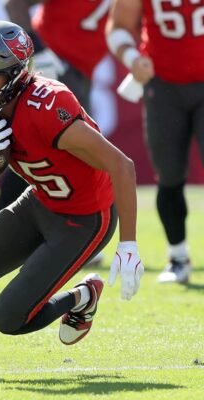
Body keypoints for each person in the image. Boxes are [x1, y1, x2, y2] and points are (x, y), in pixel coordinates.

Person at [0, 21, 144, 376]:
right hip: (41, 201)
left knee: (9, 317)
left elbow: (122, 165)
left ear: (15, 76)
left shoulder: (47, 106)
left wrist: (128, 244)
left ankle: (83, 295)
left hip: (85, 217)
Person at [0, 0, 111, 268]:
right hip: (51, 69)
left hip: (78, 72)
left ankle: (71, 234)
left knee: (69, 154)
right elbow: (14, 5)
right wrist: (40, 48)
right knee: (42, 149)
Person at [106, 0, 204, 284]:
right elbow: (118, 26)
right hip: (163, 85)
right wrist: (132, 58)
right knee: (169, 174)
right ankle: (178, 256)